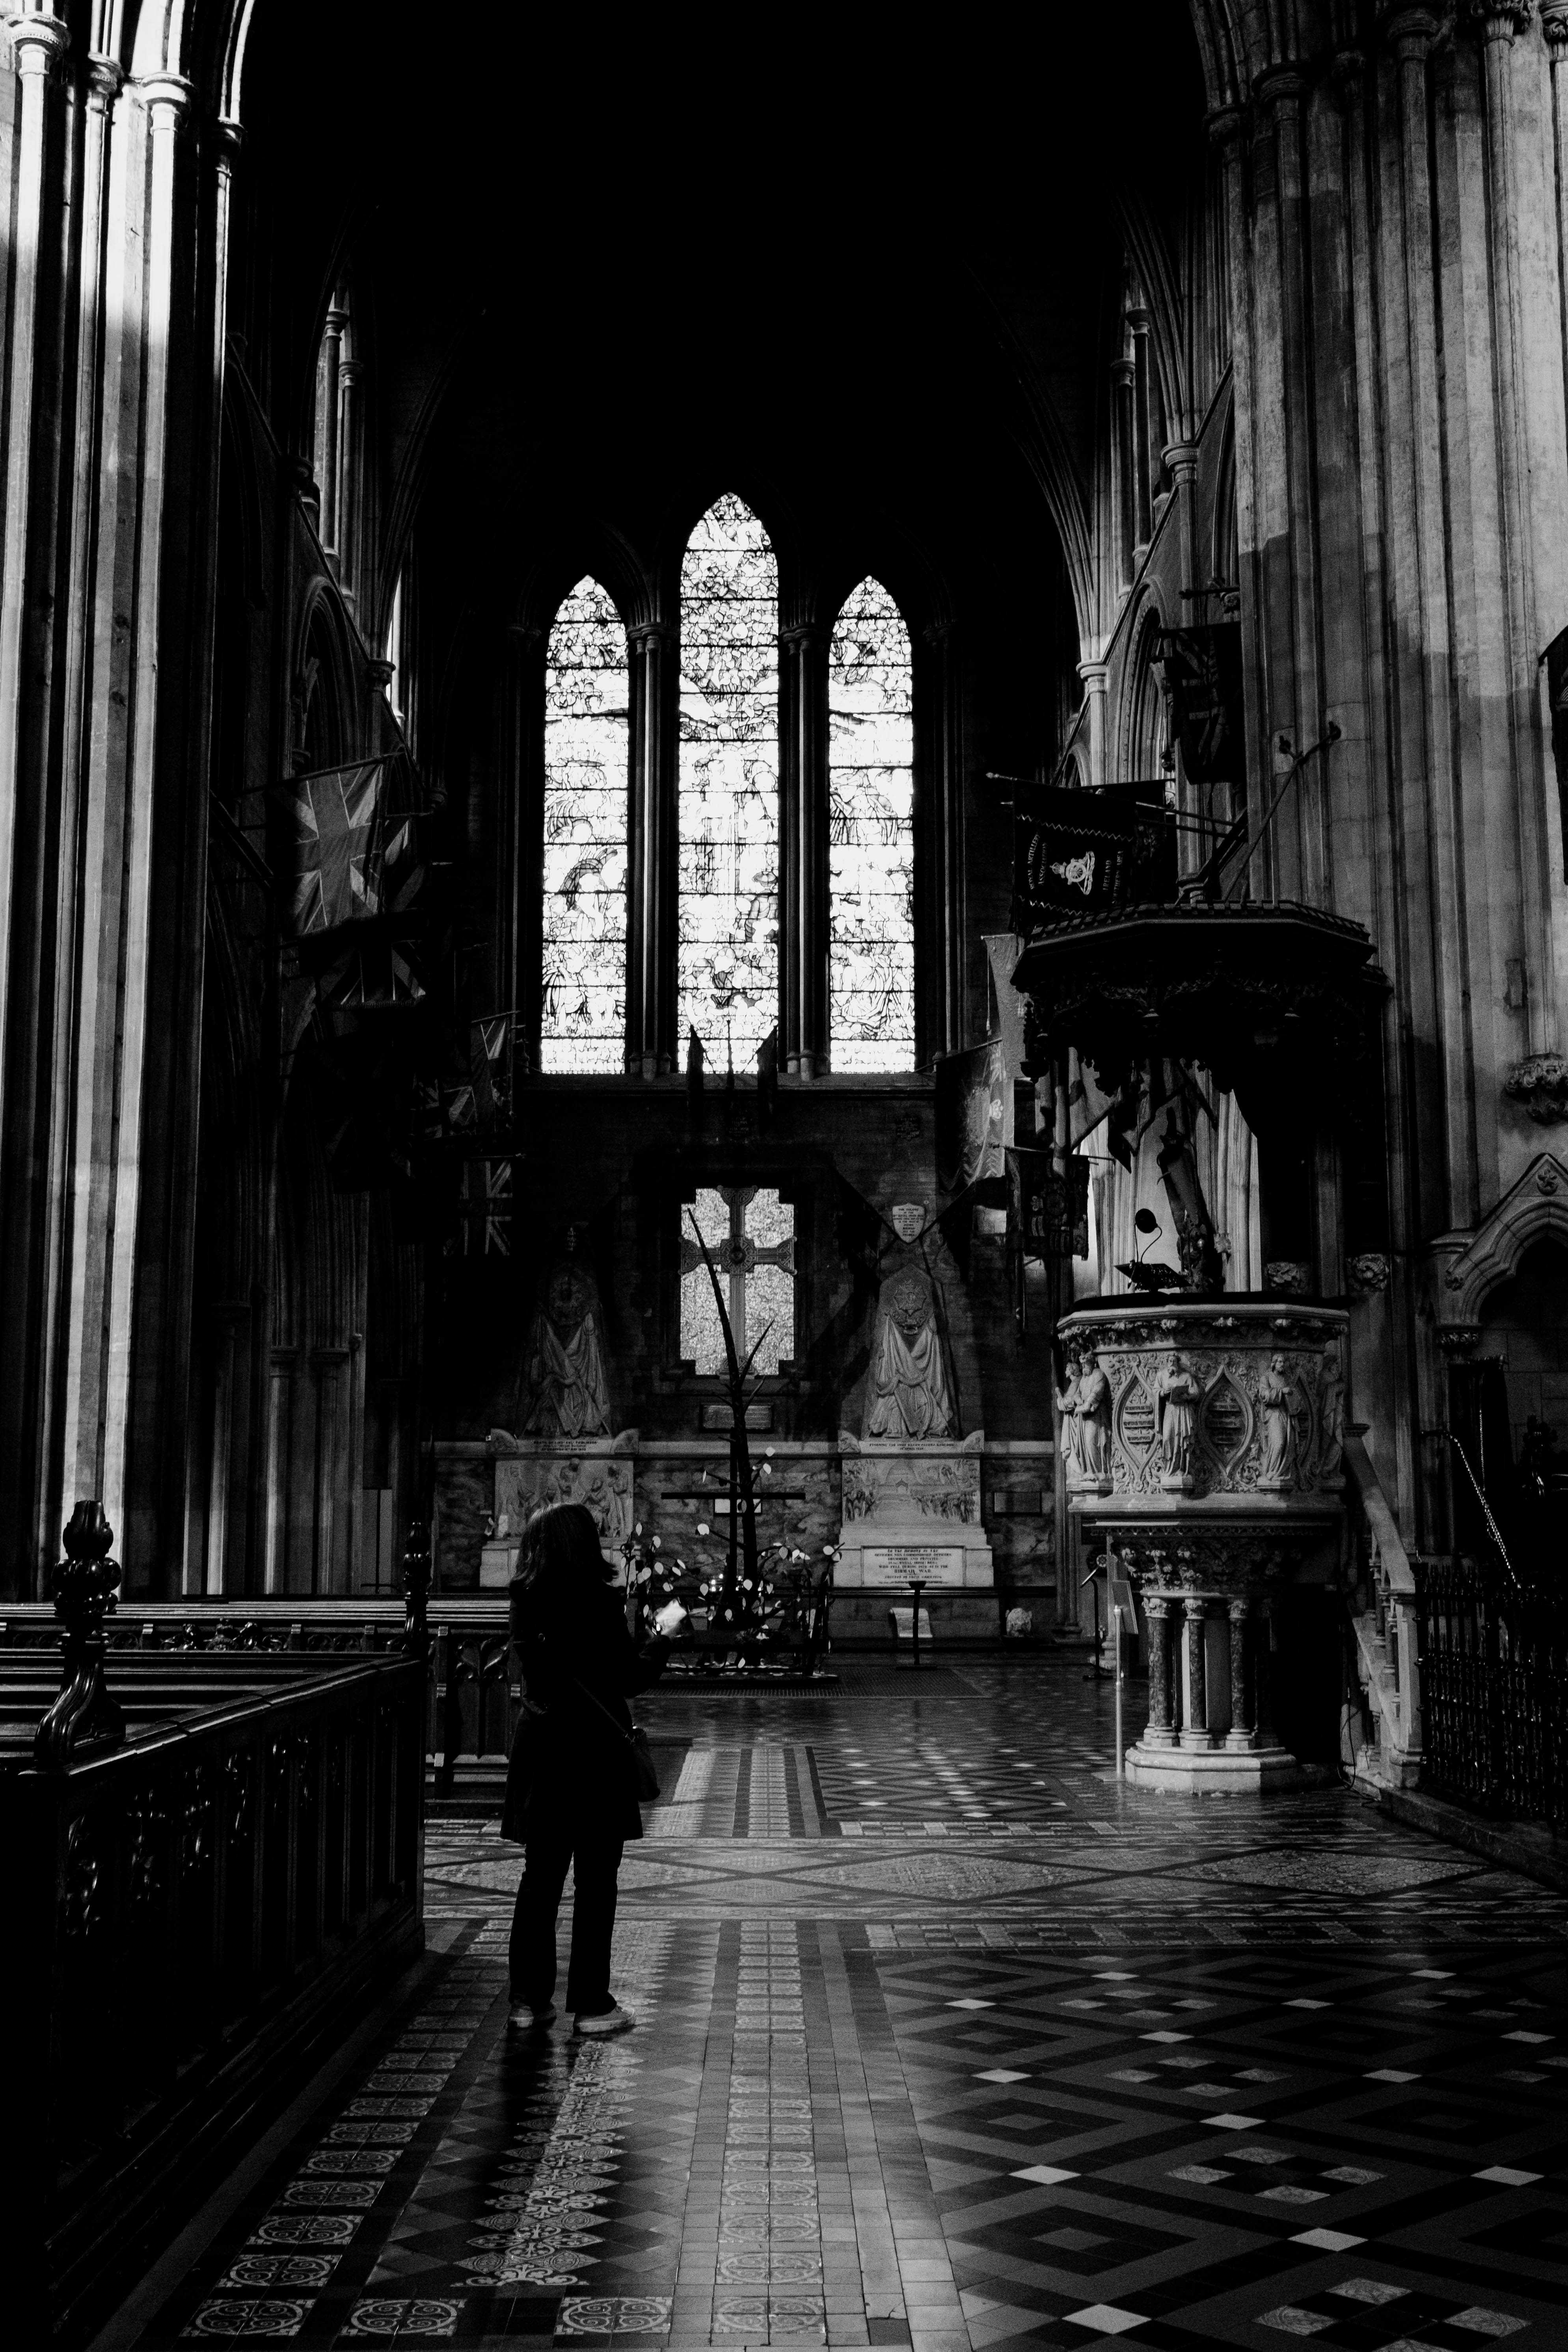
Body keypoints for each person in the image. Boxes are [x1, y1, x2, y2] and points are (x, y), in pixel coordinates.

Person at [502, 1501, 685, 2035]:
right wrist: (663, 1636)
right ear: (583, 1544)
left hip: (542, 1747)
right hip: (593, 1754)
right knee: (595, 1882)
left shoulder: (524, 1600)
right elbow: (628, 1679)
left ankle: (527, 2002)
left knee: (540, 1879)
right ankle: (590, 2004)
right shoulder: (597, 1603)